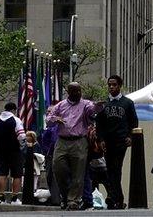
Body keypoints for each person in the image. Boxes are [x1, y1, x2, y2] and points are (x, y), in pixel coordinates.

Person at [46, 82, 96, 210]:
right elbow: (49, 118)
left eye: (79, 91)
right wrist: (55, 119)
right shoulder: (61, 105)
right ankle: (65, 195)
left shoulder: (86, 104)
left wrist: (96, 108)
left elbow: (92, 111)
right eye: (74, 91)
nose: (77, 94)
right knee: (58, 168)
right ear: (69, 92)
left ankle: (73, 201)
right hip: (62, 140)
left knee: (78, 173)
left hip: (79, 141)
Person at [94, 74, 138, 210]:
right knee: (110, 170)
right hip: (107, 142)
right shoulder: (104, 104)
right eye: (110, 85)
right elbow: (99, 124)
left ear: (120, 86)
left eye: (114, 85)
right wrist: (100, 140)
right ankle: (117, 199)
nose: (111, 87)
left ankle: (114, 197)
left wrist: (130, 136)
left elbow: (133, 121)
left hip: (121, 141)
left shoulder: (127, 103)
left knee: (116, 168)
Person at [0, 102, 26, 204]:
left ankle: (1, 198)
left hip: (1, 151)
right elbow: (21, 136)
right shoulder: (16, 120)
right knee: (17, 174)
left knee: (2, 173)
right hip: (15, 150)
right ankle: (14, 198)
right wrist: (21, 146)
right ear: (13, 110)